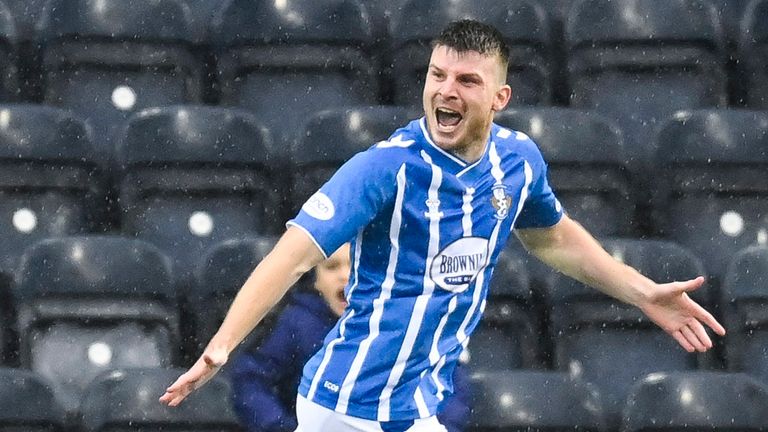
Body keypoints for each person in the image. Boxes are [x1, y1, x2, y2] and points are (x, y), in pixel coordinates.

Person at [160, 19, 725, 432]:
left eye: (467, 81)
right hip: (347, 407)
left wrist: (641, 291)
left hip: (414, 409)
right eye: (437, 75)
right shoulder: (386, 167)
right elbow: (292, 256)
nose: (446, 91)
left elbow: (552, 237)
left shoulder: (518, 161)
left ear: (500, 97)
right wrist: (222, 346)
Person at [228, 243, 471, 432]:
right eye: (331, 267)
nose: (345, 276)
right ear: (315, 281)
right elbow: (250, 381)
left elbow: (449, 383)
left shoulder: (406, 320)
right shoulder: (296, 323)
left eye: (355, 265)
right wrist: (283, 427)